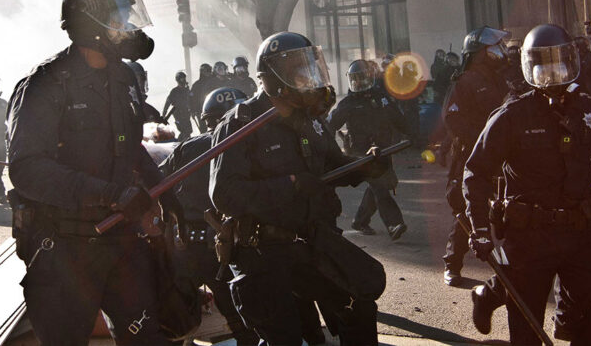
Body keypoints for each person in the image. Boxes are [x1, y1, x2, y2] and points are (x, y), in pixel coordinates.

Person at [6, 0, 184, 345]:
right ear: (90, 23)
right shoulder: (44, 84)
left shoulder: (125, 78)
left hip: (122, 241)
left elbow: (131, 147)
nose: (129, 27)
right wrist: (109, 194)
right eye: (119, 18)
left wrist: (165, 194)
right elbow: (26, 170)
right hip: (64, 249)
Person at [210, 31, 383, 346]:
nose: (308, 76)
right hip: (262, 252)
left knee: (358, 306)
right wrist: (288, 185)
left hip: (313, 242)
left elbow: (332, 164)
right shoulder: (240, 125)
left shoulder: (310, 121)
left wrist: (363, 167)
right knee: (285, 338)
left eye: (310, 66)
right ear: (273, 76)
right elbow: (224, 194)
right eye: (298, 69)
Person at [464, 24, 591, 345]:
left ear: (572, 61)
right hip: (529, 239)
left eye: (560, 62)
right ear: (530, 67)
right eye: (544, 64)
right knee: (526, 333)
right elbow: (477, 172)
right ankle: (487, 296)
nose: (553, 72)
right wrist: (480, 228)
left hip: (580, 233)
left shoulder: (589, 110)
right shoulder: (512, 116)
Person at [159, 86, 258, 346]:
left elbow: (157, 183)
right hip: (225, 248)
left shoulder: (187, 148)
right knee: (243, 319)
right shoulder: (249, 149)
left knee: (175, 321)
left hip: (184, 247)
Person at [440, 27, 511, 291]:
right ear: (480, 53)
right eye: (494, 47)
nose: (500, 52)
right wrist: (484, 141)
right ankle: (452, 263)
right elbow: (452, 119)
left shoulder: (501, 79)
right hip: (472, 158)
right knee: (469, 213)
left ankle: (511, 266)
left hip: (503, 159)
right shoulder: (464, 82)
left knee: (510, 212)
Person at [328, 60, 408, 240]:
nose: (358, 83)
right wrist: (329, 149)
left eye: (362, 79)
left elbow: (397, 117)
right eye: (354, 79)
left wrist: (412, 134)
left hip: (382, 150)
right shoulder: (347, 103)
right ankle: (394, 223)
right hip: (361, 153)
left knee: (386, 183)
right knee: (380, 186)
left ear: (370, 78)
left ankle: (360, 221)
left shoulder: (381, 98)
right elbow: (329, 126)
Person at [126, 60, 165, 125]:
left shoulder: (151, 111)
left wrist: (161, 128)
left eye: (142, 79)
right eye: (138, 79)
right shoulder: (121, 110)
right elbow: (120, 133)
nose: (141, 82)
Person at [162, 71, 193, 141]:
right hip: (178, 115)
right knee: (184, 131)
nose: (184, 80)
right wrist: (164, 113)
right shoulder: (174, 91)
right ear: (178, 80)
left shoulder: (187, 90)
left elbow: (192, 101)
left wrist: (193, 110)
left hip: (186, 114)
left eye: (184, 78)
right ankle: (180, 144)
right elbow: (168, 102)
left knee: (188, 131)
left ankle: (184, 143)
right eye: (182, 79)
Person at [190, 63, 214, 133]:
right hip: (200, 111)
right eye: (207, 70)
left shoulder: (214, 82)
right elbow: (191, 99)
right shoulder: (196, 85)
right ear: (202, 72)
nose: (209, 72)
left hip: (213, 109)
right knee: (203, 129)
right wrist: (192, 110)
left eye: (210, 70)